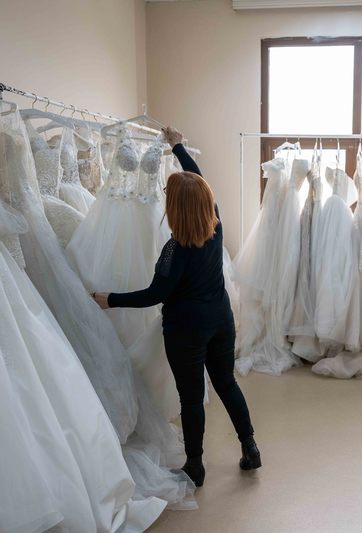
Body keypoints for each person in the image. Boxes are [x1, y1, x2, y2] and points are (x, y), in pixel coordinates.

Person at [93, 126, 260, 487]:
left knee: (191, 399)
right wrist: (178, 147)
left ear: (175, 208)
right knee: (227, 383)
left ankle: (195, 465)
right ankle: (250, 446)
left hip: (186, 330)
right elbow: (198, 180)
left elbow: (154, 294)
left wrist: (111, 300)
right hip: (220, 318)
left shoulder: (175, 250)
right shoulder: (215, 223)